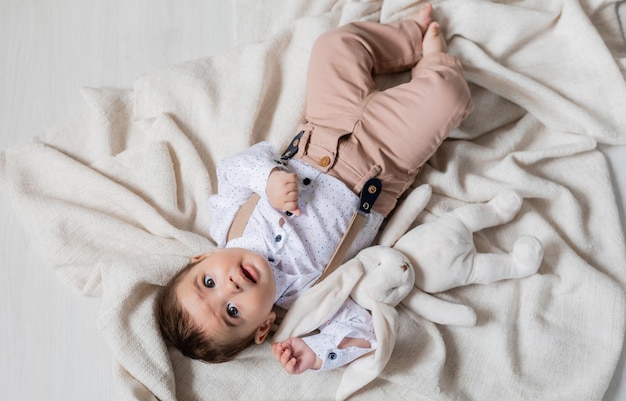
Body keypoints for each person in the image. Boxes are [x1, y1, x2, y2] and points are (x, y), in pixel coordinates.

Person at [157, 4, 473, 374]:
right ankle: (433, 64)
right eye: (232, 311)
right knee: (449, 97)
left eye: (208, 281)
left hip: (324, 125)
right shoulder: (307, 302)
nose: (229, 286)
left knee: (335, 45)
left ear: (200, 259)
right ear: (262, 328)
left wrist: (269, 180)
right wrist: (318, 352)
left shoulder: (227, 226)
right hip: (383, 161)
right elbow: (364, 329)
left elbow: (232, 170)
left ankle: (406, 38)